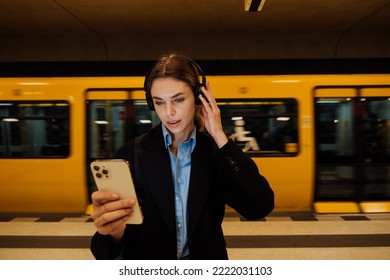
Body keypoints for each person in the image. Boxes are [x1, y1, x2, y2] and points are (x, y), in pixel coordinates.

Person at [90, 52, 274, 260]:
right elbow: (103, 253)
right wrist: (113, 233)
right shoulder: (131, 154)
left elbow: (260, 207)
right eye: (159, 102)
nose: (169, 112)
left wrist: (220, 137)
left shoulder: (216, 153)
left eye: (178, 100)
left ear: (198, 98)